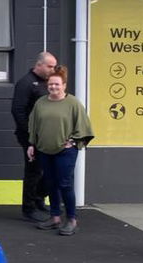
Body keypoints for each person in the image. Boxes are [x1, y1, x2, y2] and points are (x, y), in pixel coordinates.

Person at [26, 66, 94, 235]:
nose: (53, 87)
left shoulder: (73, 103)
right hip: (44, 149)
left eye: (57, 84)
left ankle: (71, 219)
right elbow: (33, 125)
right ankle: (55, 217)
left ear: (64, 85)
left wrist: (73, 141)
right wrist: (31, 144)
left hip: (65, 151)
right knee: (50, 184)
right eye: (50, 84)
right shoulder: (41, 103)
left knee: (65, 184)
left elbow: (84, 126)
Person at [11, 51, 56, 222]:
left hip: (47, 134)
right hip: (30, 136)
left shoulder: (48, 83)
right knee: (34, 171)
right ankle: (28, 208)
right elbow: (17, 111)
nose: (53, 69)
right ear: (39, 65)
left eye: (54, 66)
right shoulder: (26, 83)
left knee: (50, 169)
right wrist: (30, 135)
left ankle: (38, 199)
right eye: (49, 66)